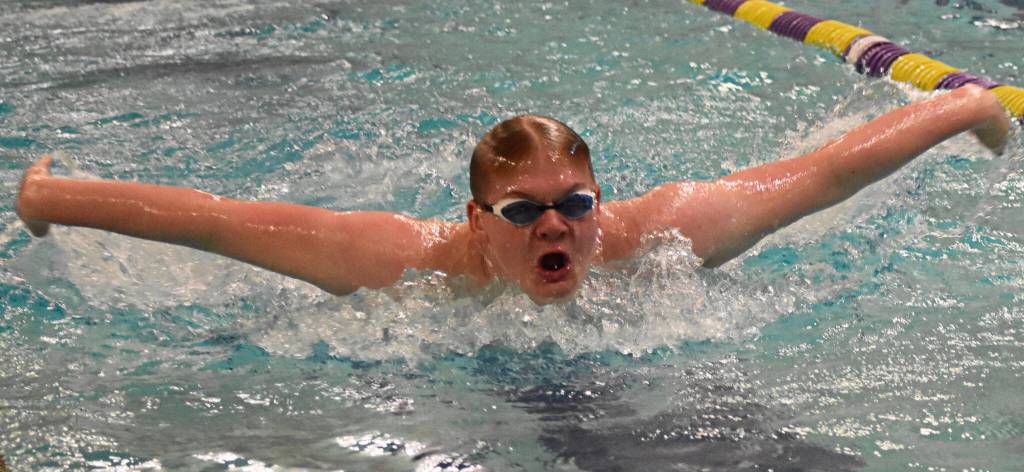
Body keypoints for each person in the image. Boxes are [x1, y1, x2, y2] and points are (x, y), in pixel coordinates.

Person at [15, 85, 1010, 304]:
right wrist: (51, 200)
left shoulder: (655, 234)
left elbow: (822, 173)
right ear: (475, 220)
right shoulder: (402, 259)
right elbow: (215, 221)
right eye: (524, 209)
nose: (555, 226)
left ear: (596, 204)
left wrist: (962, 108)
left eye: (572, 205)